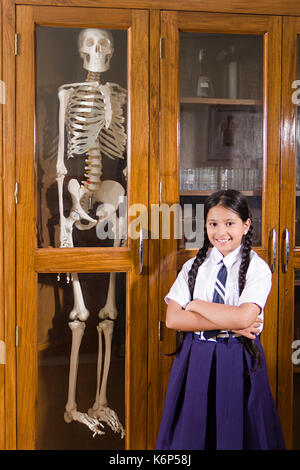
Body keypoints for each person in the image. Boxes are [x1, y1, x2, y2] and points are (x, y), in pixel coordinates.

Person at [156, 189, 285, 450]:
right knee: (192, 434)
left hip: (239, 356)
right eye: (213, 224)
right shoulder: (193, 267)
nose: (220, 232)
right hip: (196, 356)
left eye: (230, 223)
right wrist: (233, 321)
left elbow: (246, 316)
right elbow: (172, 319)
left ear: (246, 225)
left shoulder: (257, 268)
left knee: (239, 432)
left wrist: (196, 305)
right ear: (205, 226)